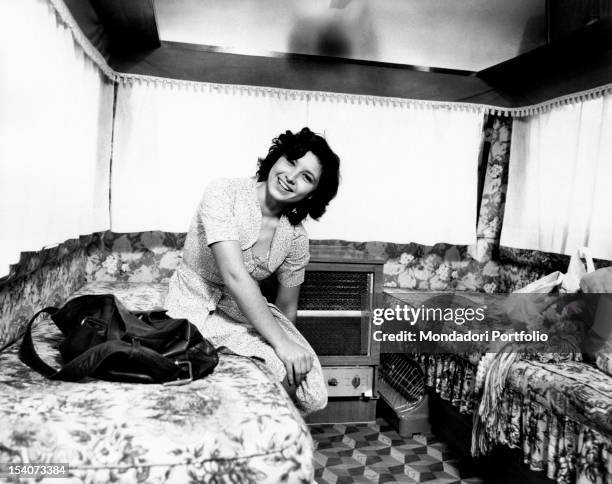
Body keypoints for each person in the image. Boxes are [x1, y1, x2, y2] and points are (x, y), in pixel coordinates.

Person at [165, 128, 340, 415]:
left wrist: (289, 349)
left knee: (301, 376)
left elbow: (286, 306)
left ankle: (272, 444)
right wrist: (282, 345)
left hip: (241, 312)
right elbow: (234, 275)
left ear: (313, 194)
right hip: (192, 301)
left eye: (307, 177)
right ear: (276, 158)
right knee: (192, 367)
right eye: (291, 161)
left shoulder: (295, 237)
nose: (291, 177)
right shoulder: (223, 192)